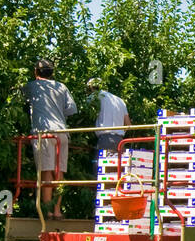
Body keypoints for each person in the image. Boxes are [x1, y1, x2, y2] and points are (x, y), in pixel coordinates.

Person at [23, 59, 77, 219]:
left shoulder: (31, 86)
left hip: (44, 132)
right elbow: (72, 109)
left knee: (46, 170)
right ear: (52, 73)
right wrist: (57, 110)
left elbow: (20, 99)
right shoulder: (61, 87)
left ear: (35, 72)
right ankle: (58, 210)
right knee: (59, 172)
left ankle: (47, 211)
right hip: (62, 132)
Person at [89, 78, 130, 157]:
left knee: (102, 164)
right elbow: (128, 124)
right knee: (118, 164)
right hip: (120, 140)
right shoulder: (120, 100)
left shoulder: (95, 97)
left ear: (91, 87)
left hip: (105, 139)